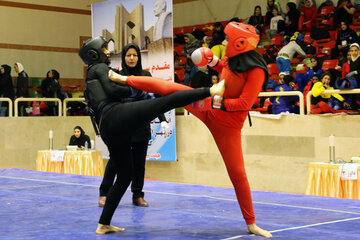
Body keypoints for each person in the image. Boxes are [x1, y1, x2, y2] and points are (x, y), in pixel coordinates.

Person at [112, 22, 272, 238]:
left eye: (226, 40)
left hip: (227, 126)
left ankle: (251, 223)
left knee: (238, 174)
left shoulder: (256, 71)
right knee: (171, 88)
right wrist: (213, 62)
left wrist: (219, 103)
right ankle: (124, 78)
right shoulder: (233, 59)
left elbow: (245, 103)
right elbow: (225, 70)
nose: (223, 43)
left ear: (239, 43)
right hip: (208, 108)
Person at [78, 36, 225, 234]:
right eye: (104, 48)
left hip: (109, 127)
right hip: (114, 116)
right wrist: (137, 91)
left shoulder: (92, 73)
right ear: (94, 53)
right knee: (165, 101)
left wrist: (134, 90)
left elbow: (115, 90)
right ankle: (211, 90)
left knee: (125, 175)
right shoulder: (99, 68)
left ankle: (103, 223)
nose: (107, 52)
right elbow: (115, 89)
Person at [98, 43, 170, 208]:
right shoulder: (117, 75)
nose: (131, 58)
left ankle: (137, 195)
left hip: (141, 125)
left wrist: (163, 119)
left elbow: (155, 99)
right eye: (128, 55)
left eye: (135, 55)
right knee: (115, 160)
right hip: (122, 125)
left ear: (138, 57)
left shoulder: (146, 75)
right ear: (124, 57)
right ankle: (104, 192)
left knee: (139, 163)